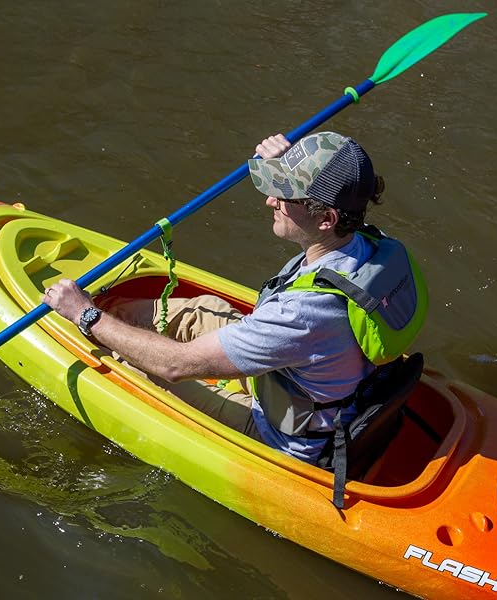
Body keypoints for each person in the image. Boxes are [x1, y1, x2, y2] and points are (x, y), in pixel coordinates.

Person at [43, 131, 426, 466]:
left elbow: (175, 365)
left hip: (284, 436)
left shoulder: (301, 314)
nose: (270, 201)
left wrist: (85, 314)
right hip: (312, 381)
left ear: (326, 218)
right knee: (199, 311)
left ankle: (91, 330)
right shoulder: (374, 245)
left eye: (285, 194)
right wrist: (290, 163)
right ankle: (106, 320)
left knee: (145, 372)